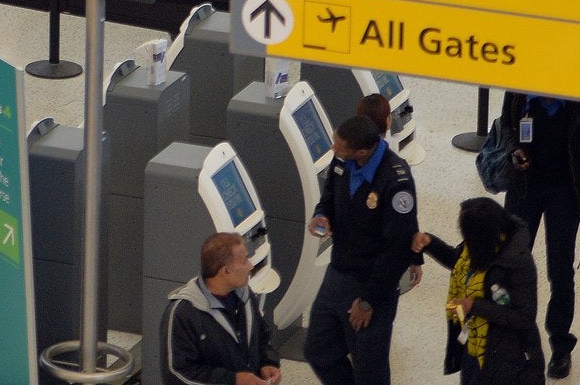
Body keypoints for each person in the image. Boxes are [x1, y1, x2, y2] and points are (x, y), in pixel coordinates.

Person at [308, 110, 423, 385]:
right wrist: (321, 214)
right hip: (338, 272)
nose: (333, 149)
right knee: (318, 350)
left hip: (373, 283)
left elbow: (397, 250)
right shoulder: (341, 162)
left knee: (369, 369)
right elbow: (329, 197)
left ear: (361, 152)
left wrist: (367, 301)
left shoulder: (396, 182)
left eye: (339, 146)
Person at [497, 92, 580, 378]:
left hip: (565, 189)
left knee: (560, 269)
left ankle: (560, 345)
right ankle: (512, 337)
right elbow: (506, 124)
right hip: (525, 185)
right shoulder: (520, 87)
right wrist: (513, 150)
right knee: (511, 264)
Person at [416, 198, 547, 385]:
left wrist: (474, 306)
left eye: (467, 234)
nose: (464, 238)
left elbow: (523, 317)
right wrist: (430, 243)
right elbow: (459, 261)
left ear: (482, 234)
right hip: (473, 347)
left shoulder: (516, 262)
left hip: (505, 357)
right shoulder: (478, 248)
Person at [158, 231, 282, 385]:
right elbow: (176, 374)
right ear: (225, 271)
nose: (251, 265)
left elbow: (262, 337)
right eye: (244, 261)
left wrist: (267, 362)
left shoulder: (246, 296)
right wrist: (232, 380)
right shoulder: (183, 313)